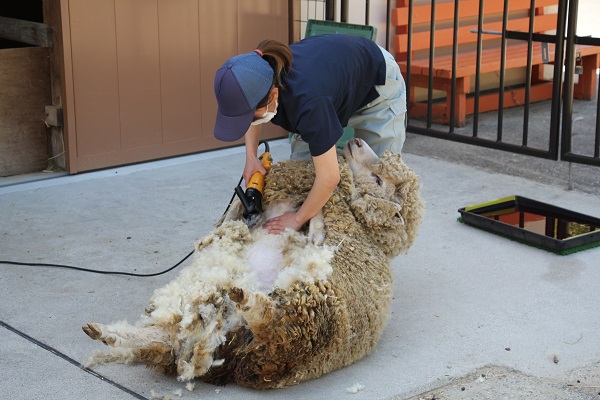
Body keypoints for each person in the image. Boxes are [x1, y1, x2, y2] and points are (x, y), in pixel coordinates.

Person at [213, 34, 406, 235]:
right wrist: (251, 157)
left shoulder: (309, 103)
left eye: (250, 116)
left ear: (273, 95)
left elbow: (330, 177)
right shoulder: (257, 72)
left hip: (375, 83)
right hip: (332, 81)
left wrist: (296, 220)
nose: (248, 121)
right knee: (301, 180)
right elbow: (250, 107)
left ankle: (366, 256)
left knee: (381, 181)